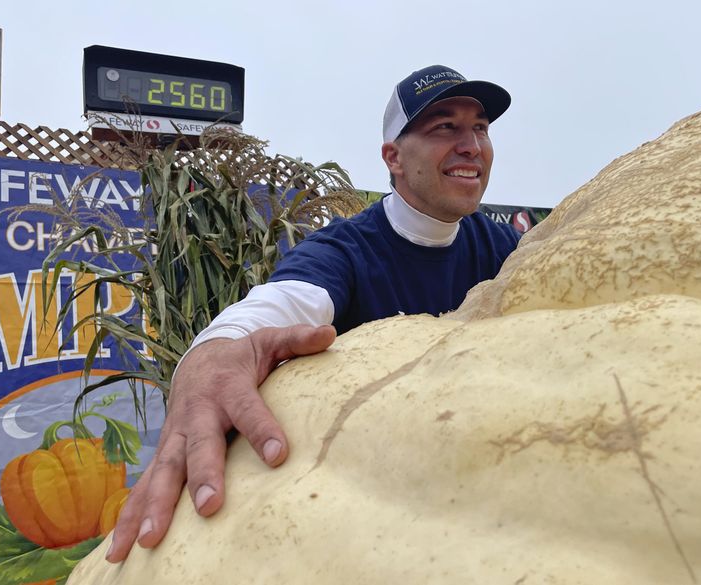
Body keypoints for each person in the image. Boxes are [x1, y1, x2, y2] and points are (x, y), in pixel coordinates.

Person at [105, 64, 521, 562]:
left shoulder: (504, 248)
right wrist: (210, 359)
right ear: (392, 157)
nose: (472, 145)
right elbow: (285, 299)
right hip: (372, 520)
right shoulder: (346, 249)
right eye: (444, 127)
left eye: (480, 127)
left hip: (478, 494)